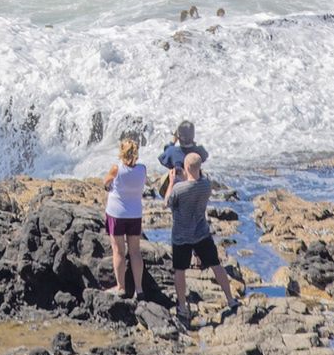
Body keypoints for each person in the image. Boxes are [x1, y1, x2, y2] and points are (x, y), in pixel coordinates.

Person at [164, 151, 238, 324]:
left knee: (180, 271)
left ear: (185, 167)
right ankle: (230, 299)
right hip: (201, 233)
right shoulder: (206, 185)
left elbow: (167, 202)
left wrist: (172, 181)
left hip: (181, 235)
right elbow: (196, 181)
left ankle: (182, 307)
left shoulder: (179, 189)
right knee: (216, 265)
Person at [102, 137, 149, 299]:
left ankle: (121, 287)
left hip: (117, 214)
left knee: (119, 251)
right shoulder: (142, 169)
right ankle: (139, 289)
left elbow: (106, 183)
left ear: (121, 153)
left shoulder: (116, 168)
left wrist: (109, 186)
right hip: (135, 214)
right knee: (135, 252)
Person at [157, 119, 208, 196]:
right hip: (196, 186)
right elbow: (205, 156)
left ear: (179, 137)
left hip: (177, 188)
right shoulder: (200, 150)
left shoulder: (172, 151)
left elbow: (164, 157)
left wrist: (172, 142)